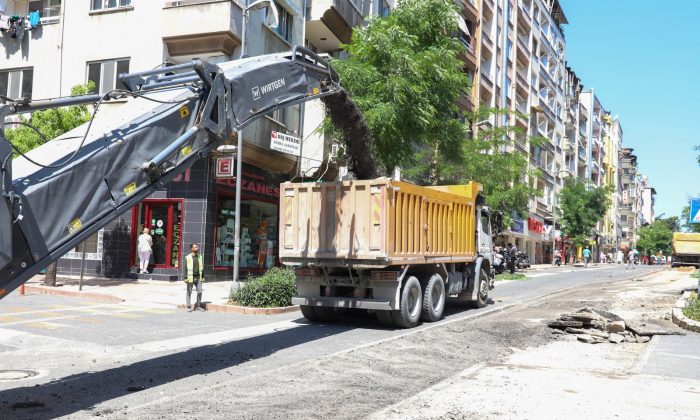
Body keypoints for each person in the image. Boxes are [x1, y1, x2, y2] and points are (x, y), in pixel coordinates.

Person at [184, 243, 205, 311]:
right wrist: (185, 277)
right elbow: (185, 268)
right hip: (190, 278)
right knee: (189, 292)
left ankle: (198, 306)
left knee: (200, 292)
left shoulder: (200, 257)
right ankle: (188, 306)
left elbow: (201, 268)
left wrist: (203, 277)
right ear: (192, 249)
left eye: (197, 247)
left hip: (198, 277)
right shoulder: (188, 257)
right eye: (196, 247)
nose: (197, 248)